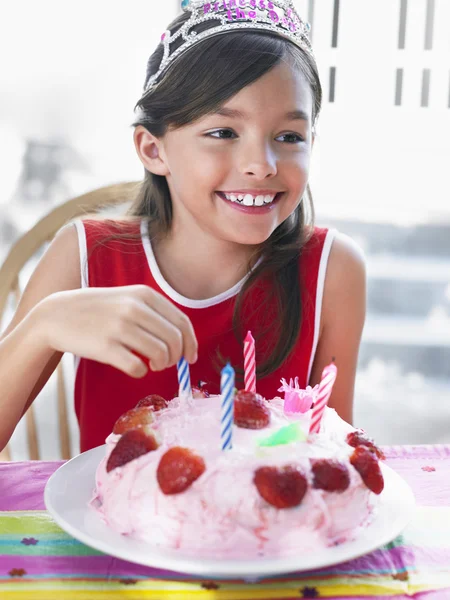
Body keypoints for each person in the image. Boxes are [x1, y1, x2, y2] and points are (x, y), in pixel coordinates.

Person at [0, 0, 366, 454]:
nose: (261, 165)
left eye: (288, 137)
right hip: (108, 522)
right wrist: (43, 325)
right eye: (223, 132)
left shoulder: (334, 271)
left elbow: (335, 451)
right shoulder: (86, 256)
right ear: (154, 150)